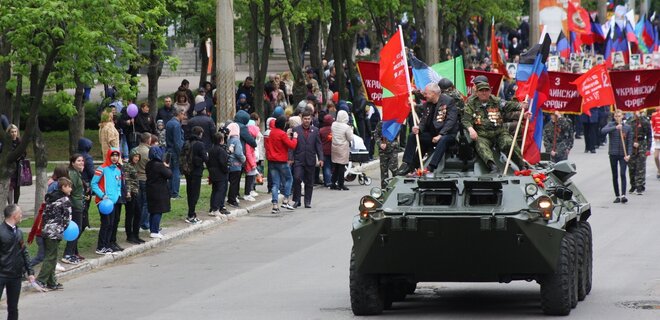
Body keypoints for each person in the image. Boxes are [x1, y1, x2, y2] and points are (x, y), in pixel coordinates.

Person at [461, 81, 529, 173]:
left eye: (486, 90)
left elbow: (508, 105)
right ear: (477, 92)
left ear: (490, 91)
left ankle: (522, 166)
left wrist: (521, 105)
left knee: (509, 142)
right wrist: (471, 129)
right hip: (483, 135)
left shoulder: (496, 101)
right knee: (481, 145)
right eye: (481, 91)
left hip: (499, 133)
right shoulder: (471, 104)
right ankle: (492, 166)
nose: (484, 93)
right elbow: (465, 119)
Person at [1, 204, 37, 319]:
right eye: (20, 213)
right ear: (14, 215)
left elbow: (24, 252)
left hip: (15, 276)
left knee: (13, 307)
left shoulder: (19, 232)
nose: (21, 215)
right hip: (1, 274)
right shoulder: (1, 232)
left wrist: (30, 272)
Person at [36, 177, 72, 291]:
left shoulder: (50, 198)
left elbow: (45, 214)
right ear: (63, 187)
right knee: (51, 257)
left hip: (46, 230)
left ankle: (51, 281)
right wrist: (62, 228)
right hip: (55, 231)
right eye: (69, 186)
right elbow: (67, 219)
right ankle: (41, 280)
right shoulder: (65, 200)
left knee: (52, 256)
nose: (71, 189)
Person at [91, 148, 123, 255]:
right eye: (112, 156)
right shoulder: (102, 168)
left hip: (113, 202)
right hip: (103, 202)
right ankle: (100, 247)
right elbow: (93, 184)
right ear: (108, 156)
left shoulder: (118, 170)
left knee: (111, 224)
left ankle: (107, 245)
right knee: (106, 223)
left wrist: (118, 194)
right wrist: (102, 195)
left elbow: (119, 184)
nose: (114, 158)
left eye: (116, 156)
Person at [291, 110, 324, 208]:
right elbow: (292, 145)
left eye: (308, 119)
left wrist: (321, 158)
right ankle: (296, 200)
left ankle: (307, 201)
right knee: (297, 178)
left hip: (310, 159)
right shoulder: (296, 130)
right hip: (298, 159)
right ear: (302, 119)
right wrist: (290, 158)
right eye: (305, 119)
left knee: (309, 182)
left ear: (311, 119)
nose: (306, 121)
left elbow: (319, 146)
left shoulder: (315, 130)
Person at [265, 115, 298, 213]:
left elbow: (278, 142)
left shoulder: (272, 133)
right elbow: (292, 145)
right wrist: (295, 138)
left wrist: (286, 135)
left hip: (272, 161)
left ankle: (275, 205)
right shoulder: (282, 134)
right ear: (284, 124)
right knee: (289, 179)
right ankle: (286, 200)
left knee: (275, 183)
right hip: (281, 161)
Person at [601, 110, 633, 204]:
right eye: (616, 116)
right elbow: (603, 131)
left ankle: (623, 195)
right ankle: (617, 195)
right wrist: (615, 128)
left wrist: (629, 154)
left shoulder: (627, 127)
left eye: (619, 116)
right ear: (614, 117)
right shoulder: (611, 125)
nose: (617, 117)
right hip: (613, 153)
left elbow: (630, 142)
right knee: (614, 175)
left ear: (623, 116)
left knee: (622, 173)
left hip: (623, 154)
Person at [61, 154, 85, 265]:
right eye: (78, 161)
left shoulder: (77, 173)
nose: (81, 162)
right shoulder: (72, 174)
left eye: (82, 160)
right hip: (75, 205)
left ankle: (73, 252)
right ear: (72, 163)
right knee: (76, 230)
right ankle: (67, 254)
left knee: (78, 229)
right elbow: (70, 190)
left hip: (78, 204)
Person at [146, 146, 172, 238]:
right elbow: (169, 175)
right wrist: (167, 167)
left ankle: (152, 228)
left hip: (150, 189)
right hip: (159, 190)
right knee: (158, 211)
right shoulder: (159, 165)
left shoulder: (148, 164)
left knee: (152, 210)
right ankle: (155, 230)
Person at [184, 126, 207, 224]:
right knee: (195, 194)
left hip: (187, 170)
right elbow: (205, 158)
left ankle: (191, 213)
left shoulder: (186, 142)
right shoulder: (200, 144)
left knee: (190, 192)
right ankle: (191, 215)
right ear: (200, 133)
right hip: (196, 171)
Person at [626, 111, 652, 195]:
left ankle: (640, 186)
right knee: (631, 166)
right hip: (631, 144)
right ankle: (633, 184)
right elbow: (626, 134)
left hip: (641, 144)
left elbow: (649, 135)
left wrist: (648, 148)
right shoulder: (629, 121)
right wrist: (632, 142)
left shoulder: (644, 121)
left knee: (640, 166)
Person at [207, 132, 230, 216]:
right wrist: (226, 170)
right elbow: (223, 163)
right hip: (220, 173)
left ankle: (212, 207)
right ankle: (216, 208)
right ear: (221, 140)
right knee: (220, 191)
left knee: (214, 190)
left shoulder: (211, 149)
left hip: (213, 172)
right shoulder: (221, 151)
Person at [124, 150, 144, 244]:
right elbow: (127, 180)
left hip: (136, 192)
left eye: (138, 157)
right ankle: (130, 235)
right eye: (135, 156)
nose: (136, 158)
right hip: (130, 193)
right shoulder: (127, 166)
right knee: (130, 215)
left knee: (138, 213)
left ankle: (136, 234)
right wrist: (128, 192)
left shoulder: (134, 166)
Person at [166, 108, 186, 199]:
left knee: (170, 171)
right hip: (175, 151)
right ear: (179, 114)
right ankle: (175, 192)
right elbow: (177, 141)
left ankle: (170, 191)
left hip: (169, 150)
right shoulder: (177, 125)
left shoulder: (169, 123)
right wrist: (181, 153)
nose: (184, 116)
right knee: (176, 172)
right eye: (183, 114)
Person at [331, 110, 353, 190]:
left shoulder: (333, 124)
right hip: (342, 148)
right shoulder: (346, 127)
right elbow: (350, 138)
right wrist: (351, 130)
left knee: (336, 166)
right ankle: (341, 183)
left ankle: (333, 182)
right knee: (341, 166)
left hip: (334, 147)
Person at [77, 138, 94, 242]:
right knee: (85, 205)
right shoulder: (87, 157)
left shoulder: (77, 155)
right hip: (86, 183)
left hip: (79, 183)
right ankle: (85, 222)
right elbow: (92, 172)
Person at [373, 121, 398, 188]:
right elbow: (376, 135)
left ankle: (395, 186)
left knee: (394, 169)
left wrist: (387, 143)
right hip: (383, 151)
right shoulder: (381, 123)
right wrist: (380, 143)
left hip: (393, 150)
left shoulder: (395, 123)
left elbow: (395, 135)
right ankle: (384, 188)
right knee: (384, 171)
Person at [226, 123, 246, 208]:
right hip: (236, 164)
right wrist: (243, 159)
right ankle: (232, 200)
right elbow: (238, 153)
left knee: (231, 182)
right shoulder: (237, 140)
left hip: (229, 164)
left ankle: (230, 198)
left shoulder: (228, 140)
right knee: (235, 183)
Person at [6, 124, 26, 205]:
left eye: (15, 131)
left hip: (18, 167)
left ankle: (16, 204)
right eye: (12, 132)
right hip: (9, 167)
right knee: (9, 186)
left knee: (17, 187)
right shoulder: (6, 142)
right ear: (9, 133)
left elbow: (24, 153)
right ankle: (10, 204)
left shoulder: (20, 141)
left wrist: (19, 157)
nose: (14, 133)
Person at [319, 114, 334, 188]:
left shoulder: (321, 130)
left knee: (326, 167)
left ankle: (327, 182)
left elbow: (319, 141)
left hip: (324, 151)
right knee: (332, 166)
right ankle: (332, 180)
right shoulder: (334, 129)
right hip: (333, 150)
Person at [652, 107, 660, 179]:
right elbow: (653, 126)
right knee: (656, 156)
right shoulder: (654, 115)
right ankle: (659, 169)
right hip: (657, 139)